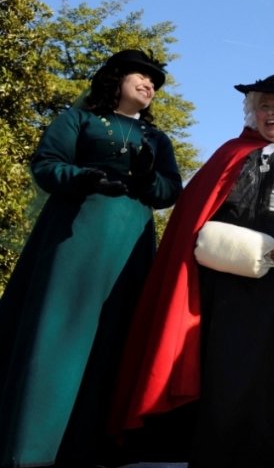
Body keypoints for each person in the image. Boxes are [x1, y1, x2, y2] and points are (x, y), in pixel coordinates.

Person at [108, 74, 274, 467]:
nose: (270, 114)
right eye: (264, 106)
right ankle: (214, 450)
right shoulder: (230, 152)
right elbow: (199, 208)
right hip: (223, 277)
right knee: (221, 360)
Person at [0, 50, 181, 467]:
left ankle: (95, 449)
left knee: (115, 338)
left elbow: (170, 191)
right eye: (143, 75)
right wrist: (83, 177)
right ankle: (33, 450)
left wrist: (147, 176)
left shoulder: (157, 139)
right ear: (115, 78)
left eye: (156, 82)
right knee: (60, 336)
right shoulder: (78, 120)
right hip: (75, 239)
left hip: (131, 248)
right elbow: (46, 165)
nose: (150, 85)